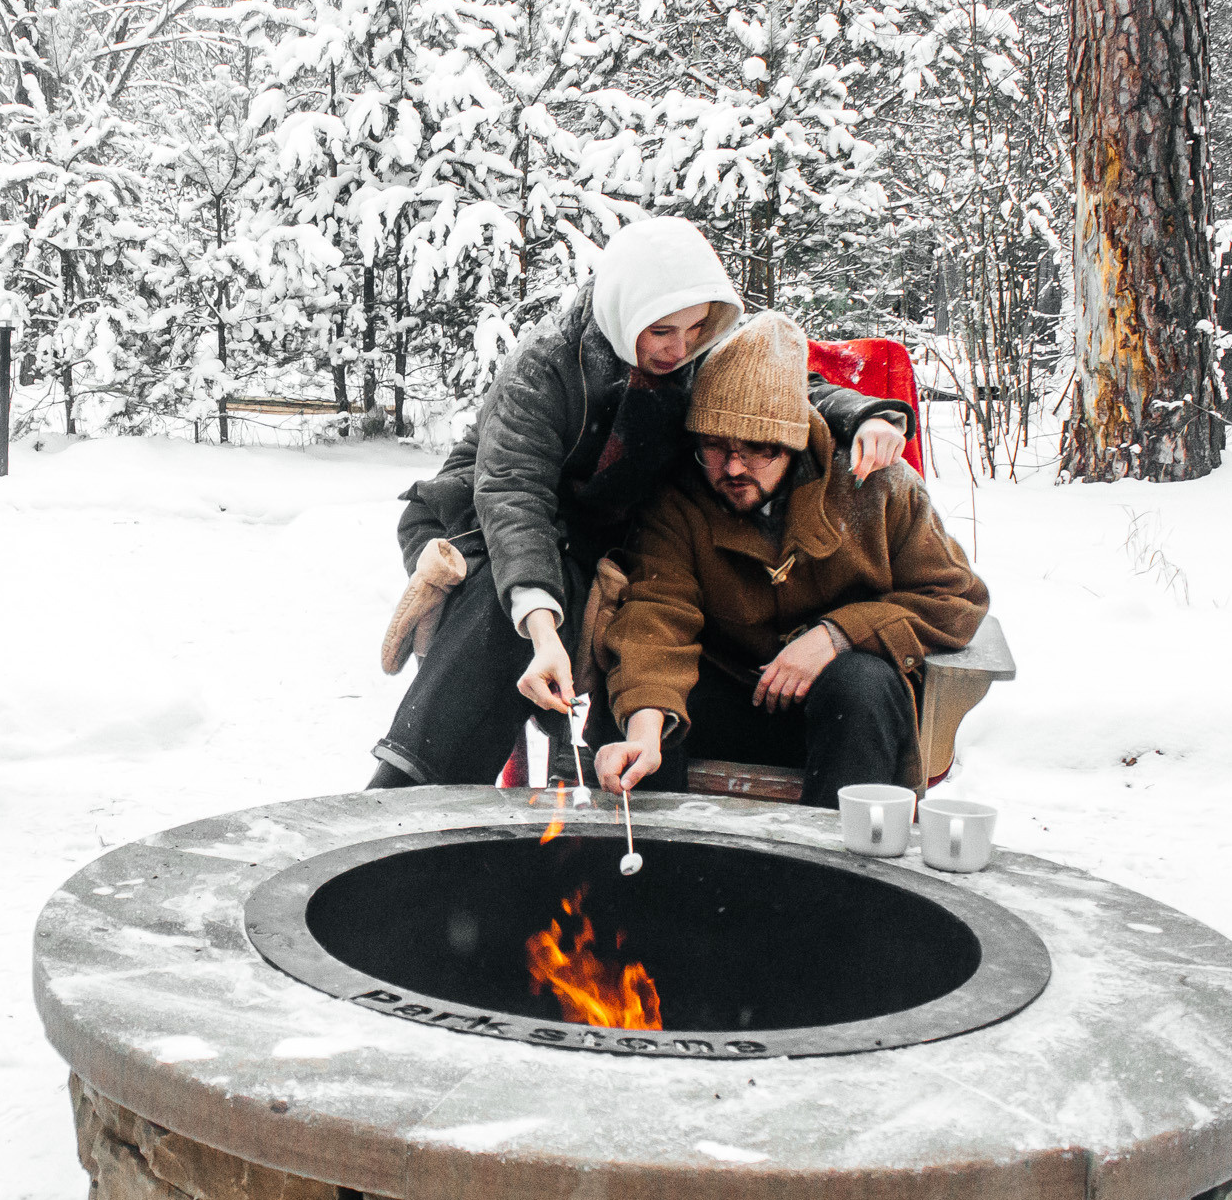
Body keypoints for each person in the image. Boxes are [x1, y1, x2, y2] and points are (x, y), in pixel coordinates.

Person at [369, 218, 914, 788]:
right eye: (660, 332)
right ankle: (411, 793)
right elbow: (512, 492)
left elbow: (775, 390)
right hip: (485, 521)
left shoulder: (697, 347)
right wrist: (543, 629)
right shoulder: (547, 365)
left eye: (696, 328)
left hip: (605, 533)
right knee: (499, 622)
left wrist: (864, 413)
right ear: (627, 312)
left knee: (627, 612)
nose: (680, 349)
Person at [593, 312, 988, 809]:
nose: (733, 468)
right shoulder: (679, 497)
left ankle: (834, 876)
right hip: (728, 693)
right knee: (632, 706)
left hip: (839, 720)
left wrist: (838, 636)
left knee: (862, 684)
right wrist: (646, 725)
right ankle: (651, 873)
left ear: (795, 441)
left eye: (758, 450)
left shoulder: (879, 487)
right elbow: (658, 613)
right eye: (714, 447)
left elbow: (957, 600)